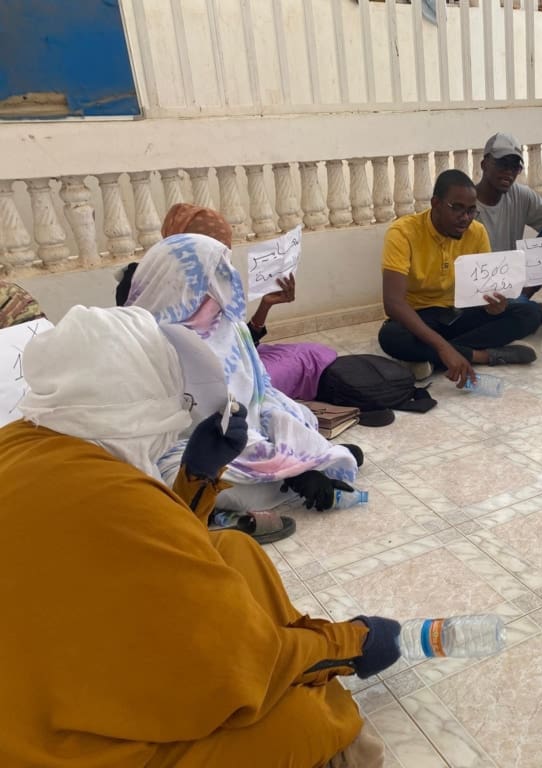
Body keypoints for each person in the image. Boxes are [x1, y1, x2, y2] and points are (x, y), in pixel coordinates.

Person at [0, 304, 399, 767]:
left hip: (51, 676)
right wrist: (350, 644)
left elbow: (150, 554)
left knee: (231, 546)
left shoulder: (20, 443)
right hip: (57, 745)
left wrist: (198, 476)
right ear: (144, 399)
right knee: (304, 722)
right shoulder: (118, 500)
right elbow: (246, 668)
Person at [124, 233, 363, 514]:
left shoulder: (230, 325)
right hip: (187, 446)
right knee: (174, 483)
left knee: (292, 415)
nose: (228, 280)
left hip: (245, 431)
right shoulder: (150, 341)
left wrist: (289, 452)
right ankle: (285, 473)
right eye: (218, 272)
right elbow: (214, 425)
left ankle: (294, 463)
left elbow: (260, 394)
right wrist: (295, 471)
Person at [116, 204, 340, 406]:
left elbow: (232, 346)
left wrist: (265, 306)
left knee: (309, 351)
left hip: (220, 376)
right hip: (192, 394)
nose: (222, 259)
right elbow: (202, 366)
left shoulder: (214, 281)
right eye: (216, 249)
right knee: (296, 364)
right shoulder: (141, 287)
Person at [378, 169, 542, 386]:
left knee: (529, 312)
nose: (465, 218)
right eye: (457, 208)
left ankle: (431, 359)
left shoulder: (477, 232)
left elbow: (482, 292)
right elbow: (393, 304)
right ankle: (482, 356)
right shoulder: (402, 233)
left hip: (459, 312)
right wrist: (443, 347)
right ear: (435, 203)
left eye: (471, 210)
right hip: (421, 316)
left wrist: (494, 307)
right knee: (391, 336)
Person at [475, 132, 542, 305]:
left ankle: (521, 300)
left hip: (513, 280)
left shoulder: (519, 194)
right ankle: (523, 307)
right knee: (527, 315)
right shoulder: (466, 204)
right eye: (502, 164)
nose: (509, 172)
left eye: (515, 167)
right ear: (484, 164)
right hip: (479, 285)